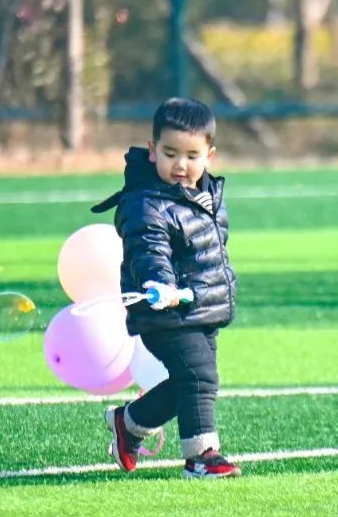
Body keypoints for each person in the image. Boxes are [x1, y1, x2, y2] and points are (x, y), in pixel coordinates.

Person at [92, 98, 241, 477]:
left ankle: (129, 423)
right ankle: (201, 456)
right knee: (200, 378)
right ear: (152, 150)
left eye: (192, 155)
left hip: (202, 309)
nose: (180, 165)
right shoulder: (145, 204)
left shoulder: (208, 196)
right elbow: (149, 249)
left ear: (209, 155)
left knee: (190, 382)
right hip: (165, 312)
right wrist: (161, 284)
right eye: (170, 153)